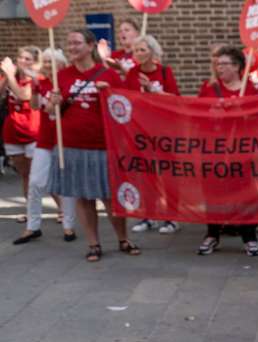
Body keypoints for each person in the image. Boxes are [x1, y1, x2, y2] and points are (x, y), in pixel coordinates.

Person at [48, 29, 139, 262]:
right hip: (72, 145)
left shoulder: (107, 74)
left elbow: (125, 107)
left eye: (77, 42)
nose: (72, 47)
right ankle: (93, 243)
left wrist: (108, 93)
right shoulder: (62, 75)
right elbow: (50, 112)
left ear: (90, 46)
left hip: (102, 144)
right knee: (83, 197)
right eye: (69, 43)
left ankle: (122, 238)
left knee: (109, 196)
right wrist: (53, 104)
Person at [196, 46, 258, 257]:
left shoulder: (249, 89)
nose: (219, 68)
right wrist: (210, 114)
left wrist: (245, 112)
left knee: (244, 194)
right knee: (213, 194)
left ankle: (249, 237)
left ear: (237, 66)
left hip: (241, 151)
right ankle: (212, 234)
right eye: (217, 64)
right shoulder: (208, 87)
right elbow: (196, 115)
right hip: (214, 151)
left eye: (224, 64)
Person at [13, 48, 77, 245]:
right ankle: (32, 226)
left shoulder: (67, 82)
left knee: (65, 184)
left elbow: (53, 109)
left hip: (64, 139)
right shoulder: (41, 82)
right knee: (35, 182)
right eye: (46, 61)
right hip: (44, 139)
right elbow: (33, 106)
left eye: (53, 62)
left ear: (61, 64)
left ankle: (69, 224)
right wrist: (35, 86)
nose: (49, 65)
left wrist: (54, 98)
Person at [125, 34, 182, 235]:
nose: (138, 54)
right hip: (142, 131)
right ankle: (149, 215)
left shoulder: (165, 72)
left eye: (142, 50)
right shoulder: (132, 73)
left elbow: (175, 99)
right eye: (135, 50)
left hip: (164, 131)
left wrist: (151, 89)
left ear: (152, 51)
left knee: (167, 175)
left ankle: (172, 217)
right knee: (145, 173)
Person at [1, 46, 42, 224]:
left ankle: (62, 210)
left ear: (35, 63)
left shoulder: (36, 79)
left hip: (33, 131)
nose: (23, 62)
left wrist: (9, 75)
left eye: (28, 59)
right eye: (20, 58)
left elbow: (23, 95)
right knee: (25, 174)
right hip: (13, 131)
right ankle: (31, 210)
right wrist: (6, 76)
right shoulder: (10, 77)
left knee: (38, 176)